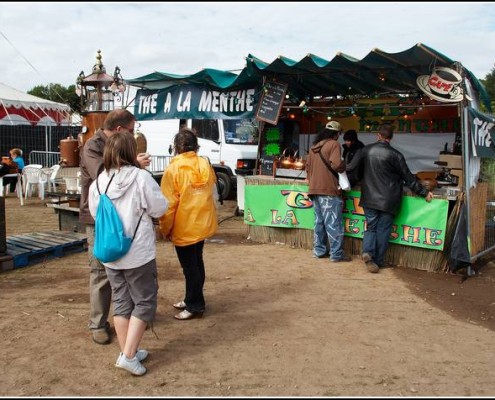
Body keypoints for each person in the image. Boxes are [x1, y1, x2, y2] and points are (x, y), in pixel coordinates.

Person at [88, 131, 168, 376]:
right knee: (144, 302)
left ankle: (128, 352)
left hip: (110, 254)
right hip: (138, 253)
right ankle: (129, 355)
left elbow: (95, 213)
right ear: (131, 152)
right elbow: (159, 208)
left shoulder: (99, 182)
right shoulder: (141, 178)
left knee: (122, 302)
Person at [79, 109, 151, 345]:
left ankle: (132, 319)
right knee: (101, 272)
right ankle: (98, 323)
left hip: (123, 219)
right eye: (131, 131)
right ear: (120, 129)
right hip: (99, 220)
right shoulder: (92, 146)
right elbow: (104, 176)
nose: (134, 135)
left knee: (127, 272)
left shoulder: (111, 143)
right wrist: (135, 166)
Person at [159, 128, 218, 320]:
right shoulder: (204, 163)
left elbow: (169, 204)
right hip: (202, 223)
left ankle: (195, 305)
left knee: (190, 267)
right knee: (196, 262)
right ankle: (192, 298)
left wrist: (165, 228)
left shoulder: (173, 169)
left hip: (184, 226)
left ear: (177, 147)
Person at [358, 124, 433, 273]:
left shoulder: (365, 150)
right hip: (388, 199)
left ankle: (368, 252)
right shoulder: (396, 155)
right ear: (391, 138)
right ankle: (378, 261)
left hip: (369, 197)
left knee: (371, 227)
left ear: (378, 135)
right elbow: (409, 178)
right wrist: (424, 192)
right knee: (383, 229)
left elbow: (357, 172)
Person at [305, 120, 352, 263]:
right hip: (328, 190)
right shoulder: (333, 144)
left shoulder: (314, 147)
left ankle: (319, 251)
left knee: (319, 222)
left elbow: (307, 168)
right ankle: (336, 254)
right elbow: (337, 165)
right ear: (336, 134)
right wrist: (344, 164)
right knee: (333, 223)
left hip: (314, 190)